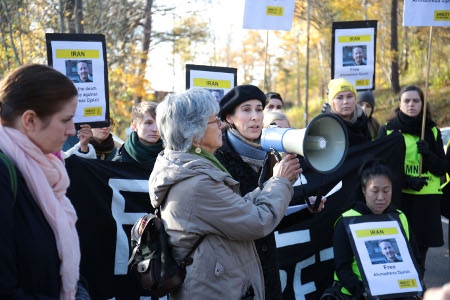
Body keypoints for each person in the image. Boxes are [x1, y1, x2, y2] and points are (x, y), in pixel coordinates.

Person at [148, 87, 302, 299]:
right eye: (214, 121)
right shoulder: (197, 184)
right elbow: (257, 220)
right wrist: (280, 181)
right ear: (195, 135)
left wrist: (273, 184)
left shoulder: (194, 172)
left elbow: (238, 207)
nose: (221, 124)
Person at [215, 84, 325, 299]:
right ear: (229, 118)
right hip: (237, 269)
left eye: (259, 109)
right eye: (246, 110)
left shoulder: (267, 153)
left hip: (266, 265)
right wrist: (278, 181)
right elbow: (244, 218)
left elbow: (269, 215)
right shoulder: (219, 159)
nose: (255, 117)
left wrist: (305, 211)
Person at [0, 64, 89, 298]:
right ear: (30, 120)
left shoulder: (44, 170)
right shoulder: (4, 174)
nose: (72, 130)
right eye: (66, 119)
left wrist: (79, 291)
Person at [332, 160, 423, 299]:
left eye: (386, 191)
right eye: (374, 191)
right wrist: (362, 292)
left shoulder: (399, 217)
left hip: (398, 291)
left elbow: (415, 258)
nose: (381, 197)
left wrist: (417, 285)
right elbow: (342, 268)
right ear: (364, 190)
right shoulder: (347, 220)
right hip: (358, 293)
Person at [377, 85, 446, 269]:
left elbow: (442, 168)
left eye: (416, 101)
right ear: (399, 104)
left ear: (422, 105)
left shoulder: (431, 131)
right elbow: (380, 168)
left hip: (426, 201)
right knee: (400, 248)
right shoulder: (388, 131)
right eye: (406, 101)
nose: (411, 105)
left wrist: (429, 155)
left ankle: (418, 292)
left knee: (420, 254)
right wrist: (407, 180)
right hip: (399, 199)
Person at [116, 101, 163, 173]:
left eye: (159, 123)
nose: (155, 129)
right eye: (148, 123)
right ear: (134, 126)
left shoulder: (171, 158)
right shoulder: (118, 162)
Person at [322, 78, 371, 147]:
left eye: (349, 96)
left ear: (355, 99)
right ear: (332, 102)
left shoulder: (362, 120)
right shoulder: (324, 125)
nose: (345, 102)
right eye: (340, 98)